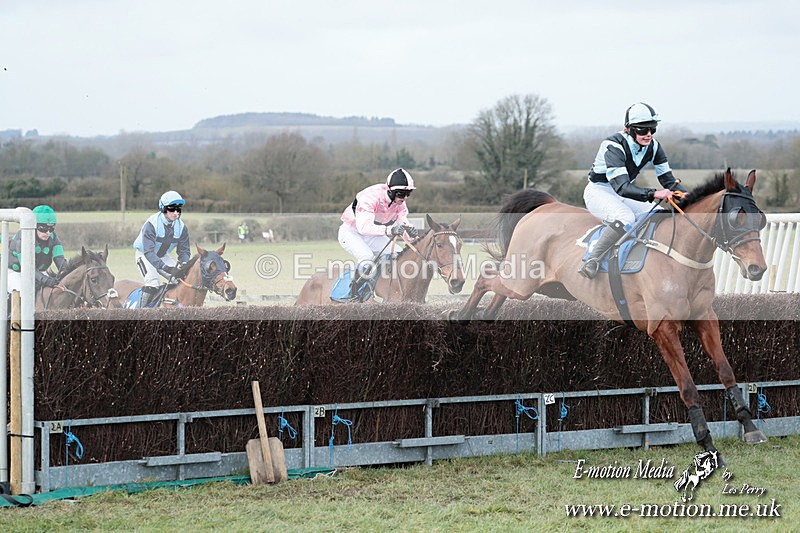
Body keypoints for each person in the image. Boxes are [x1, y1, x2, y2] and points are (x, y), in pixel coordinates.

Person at [579, 102, 687, 279]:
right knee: (625, 217)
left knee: (659, 214)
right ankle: (592, 259)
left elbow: (667, 179)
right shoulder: (613, 146)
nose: (649, 134)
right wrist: (654, 193)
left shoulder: (655, 147)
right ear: (629, 129)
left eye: (652, 128)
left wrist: (687, 196)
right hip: (600, 192)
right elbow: (622, 187)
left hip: (623, 192)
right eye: (643, 130)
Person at [338, 168, 419, 299]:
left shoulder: (400, 204)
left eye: (408, 193)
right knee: (367, 257)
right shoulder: (369, 197)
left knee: (398, 255)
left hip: (373, 235)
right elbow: (364, 227)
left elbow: (404, 225)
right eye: (401, 194)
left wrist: (411, 233)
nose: (404, 198)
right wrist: (389, 230)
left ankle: (387, 290)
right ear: (390, 190)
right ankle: (353, 293)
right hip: (351, 233)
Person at [132, 190, 191, 307]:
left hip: (162, 256)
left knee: (181, 280)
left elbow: (184, 250)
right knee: (153, 283)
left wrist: (184, 264)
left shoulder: (182, 227)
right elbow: (149, 252)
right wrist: (165, 268)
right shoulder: (151, 224)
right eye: (172, 209)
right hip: (145, 255)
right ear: (163, 208)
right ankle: (142, 314)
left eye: (178, 209)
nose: (176, 213)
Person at [6, 205, 67, 293]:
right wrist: (46, 280)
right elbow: (27, 268)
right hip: (16, 272)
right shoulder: (23, 238)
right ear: (34, 225)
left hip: (39, 271)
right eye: (43, 228)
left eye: (51, 228)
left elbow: (60, 260)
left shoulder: (53, 238)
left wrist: (64, 272)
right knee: (24, 292)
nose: (48, 233)